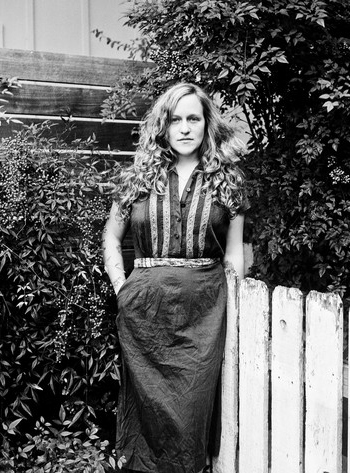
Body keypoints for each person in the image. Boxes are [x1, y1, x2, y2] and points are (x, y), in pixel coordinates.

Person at [102, 82, 248, 473]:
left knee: (192, 413)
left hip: (204, 316)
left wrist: (232, 305)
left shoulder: (227, 181)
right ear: (163, 127)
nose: (184, 128)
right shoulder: (137, 179)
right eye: (175, 120)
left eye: (193, 119)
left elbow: (234, 252)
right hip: (144, 315)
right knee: (146, 417)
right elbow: (111, 238)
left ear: (206, 124)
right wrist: (122, 288)